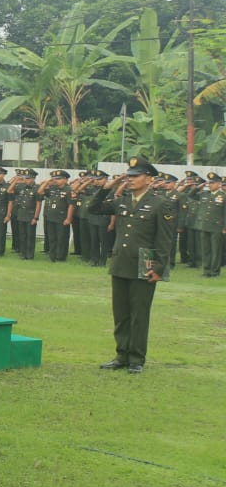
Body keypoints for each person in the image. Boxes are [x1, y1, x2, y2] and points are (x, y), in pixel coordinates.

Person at [88, 156, 175, 374]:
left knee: (139, 314)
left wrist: (159, 269)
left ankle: (136, 358)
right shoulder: (123, 200)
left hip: (144, 263)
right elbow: (93, 208)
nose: (131, 179)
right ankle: (121, 355)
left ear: (149, 178)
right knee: (121, 314)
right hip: (121, 262)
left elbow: (165, 240)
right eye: (129, 175)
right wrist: (107, 187)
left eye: (136, 176)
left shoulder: (160, 203)